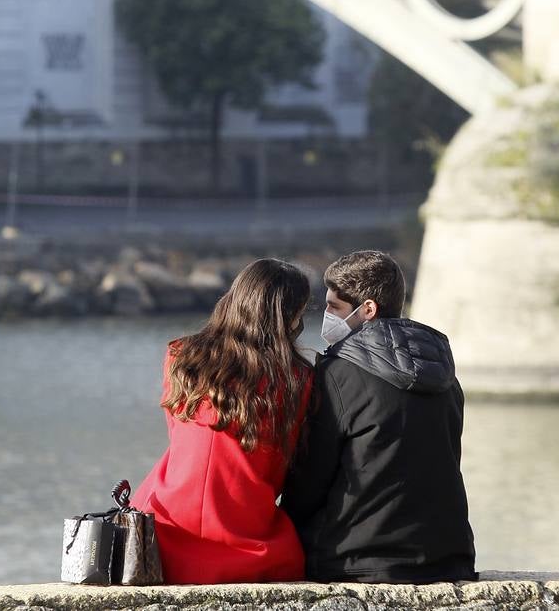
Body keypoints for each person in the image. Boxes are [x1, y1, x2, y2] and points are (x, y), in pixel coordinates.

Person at [281, 250, 477, 585]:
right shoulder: (445, 377)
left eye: (334, 307)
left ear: (367, 310)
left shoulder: (338, 374)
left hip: (359, 560)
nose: (325, 315)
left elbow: (310, 481)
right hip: (449, 557)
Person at [132, 258, 314, 585]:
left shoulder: (181, 357)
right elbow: (286, 469)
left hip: (163, 532)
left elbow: (181, 437)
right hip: (249, 543)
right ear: (287, 317)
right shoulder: (297, 380)